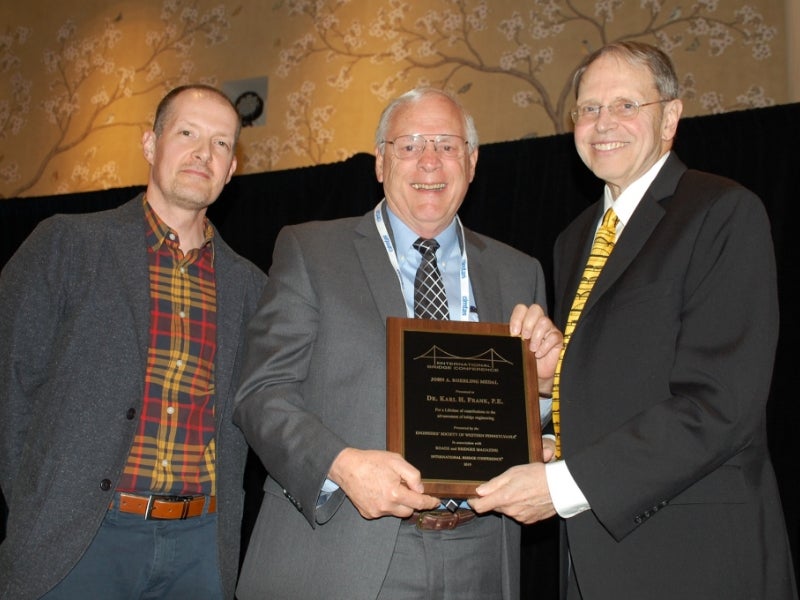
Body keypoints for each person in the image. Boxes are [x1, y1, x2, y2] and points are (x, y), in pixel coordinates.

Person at [470, 41, 799, 599]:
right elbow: (618, 387)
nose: (604, 123)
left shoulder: (721, 212)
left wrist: (561, 485)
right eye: (589, 108)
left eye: (626, 105)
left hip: (694, 559)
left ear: (670, 118)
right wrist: (548, 397)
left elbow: (720, 405)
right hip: (591, 561)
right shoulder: (575, 238)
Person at [233, 87, 562, 600]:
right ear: (380, 162)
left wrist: (540, 390)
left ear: (472, 162)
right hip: (344, 552)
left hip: (480, 557)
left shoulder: (519, 271)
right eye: (409, 145)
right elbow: (260, 394)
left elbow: (509, 426)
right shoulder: (312, 251)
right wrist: (342, 466)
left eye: (447, 145)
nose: (430, 161)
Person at [0, 84, 267, 599]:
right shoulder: (67, 244)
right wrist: (40, 504)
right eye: (187, 133)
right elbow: (9, 385)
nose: (203, 153)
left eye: (220, 144)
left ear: (232, 168)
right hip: (78, 542)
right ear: (150, 144)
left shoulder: (250, 286)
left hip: (200, 549)